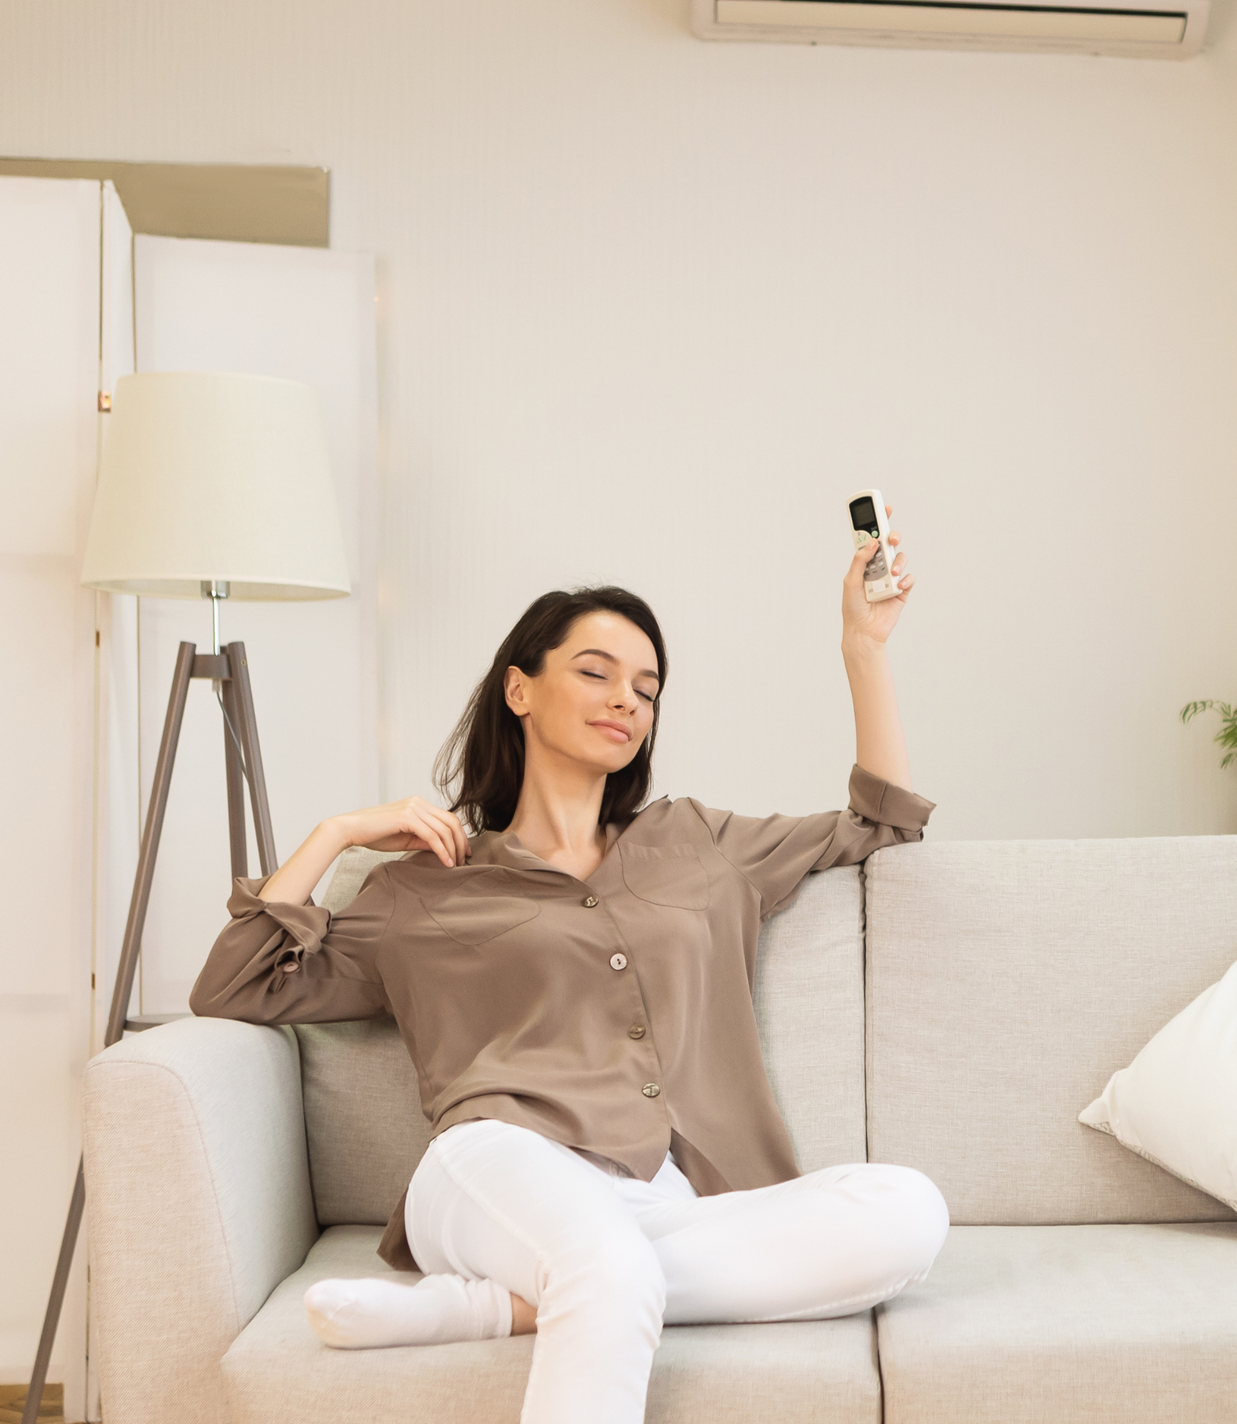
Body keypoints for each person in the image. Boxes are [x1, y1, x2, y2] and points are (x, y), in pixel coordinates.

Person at [189, 511, 947, 1424]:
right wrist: (335, 834)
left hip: (673, 1196)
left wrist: (863, 648)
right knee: (606, 1265)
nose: (627, 699)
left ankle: (488, 1307)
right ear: (520, 688)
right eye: (595, 673)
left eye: (647, 689)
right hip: (498, 1163)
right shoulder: (423, 888)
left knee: (908, 1210)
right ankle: (559, 1284)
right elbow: (237, 984)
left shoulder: (700, 842)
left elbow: (882, 825)